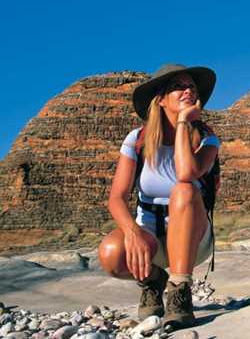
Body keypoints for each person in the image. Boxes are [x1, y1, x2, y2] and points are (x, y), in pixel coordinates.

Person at [98, 63, 220, 329]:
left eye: (192, 86)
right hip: (149, 236)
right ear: (161, 99)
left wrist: (184, 123)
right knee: (110, 254)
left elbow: (187, 173)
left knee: (183, 190)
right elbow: (116, 198)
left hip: (193, 239)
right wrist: (132, 232)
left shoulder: (207, 139)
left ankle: (179, 291)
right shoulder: (137, 140)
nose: (188, 90)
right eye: (179, 86)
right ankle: (153, 281)